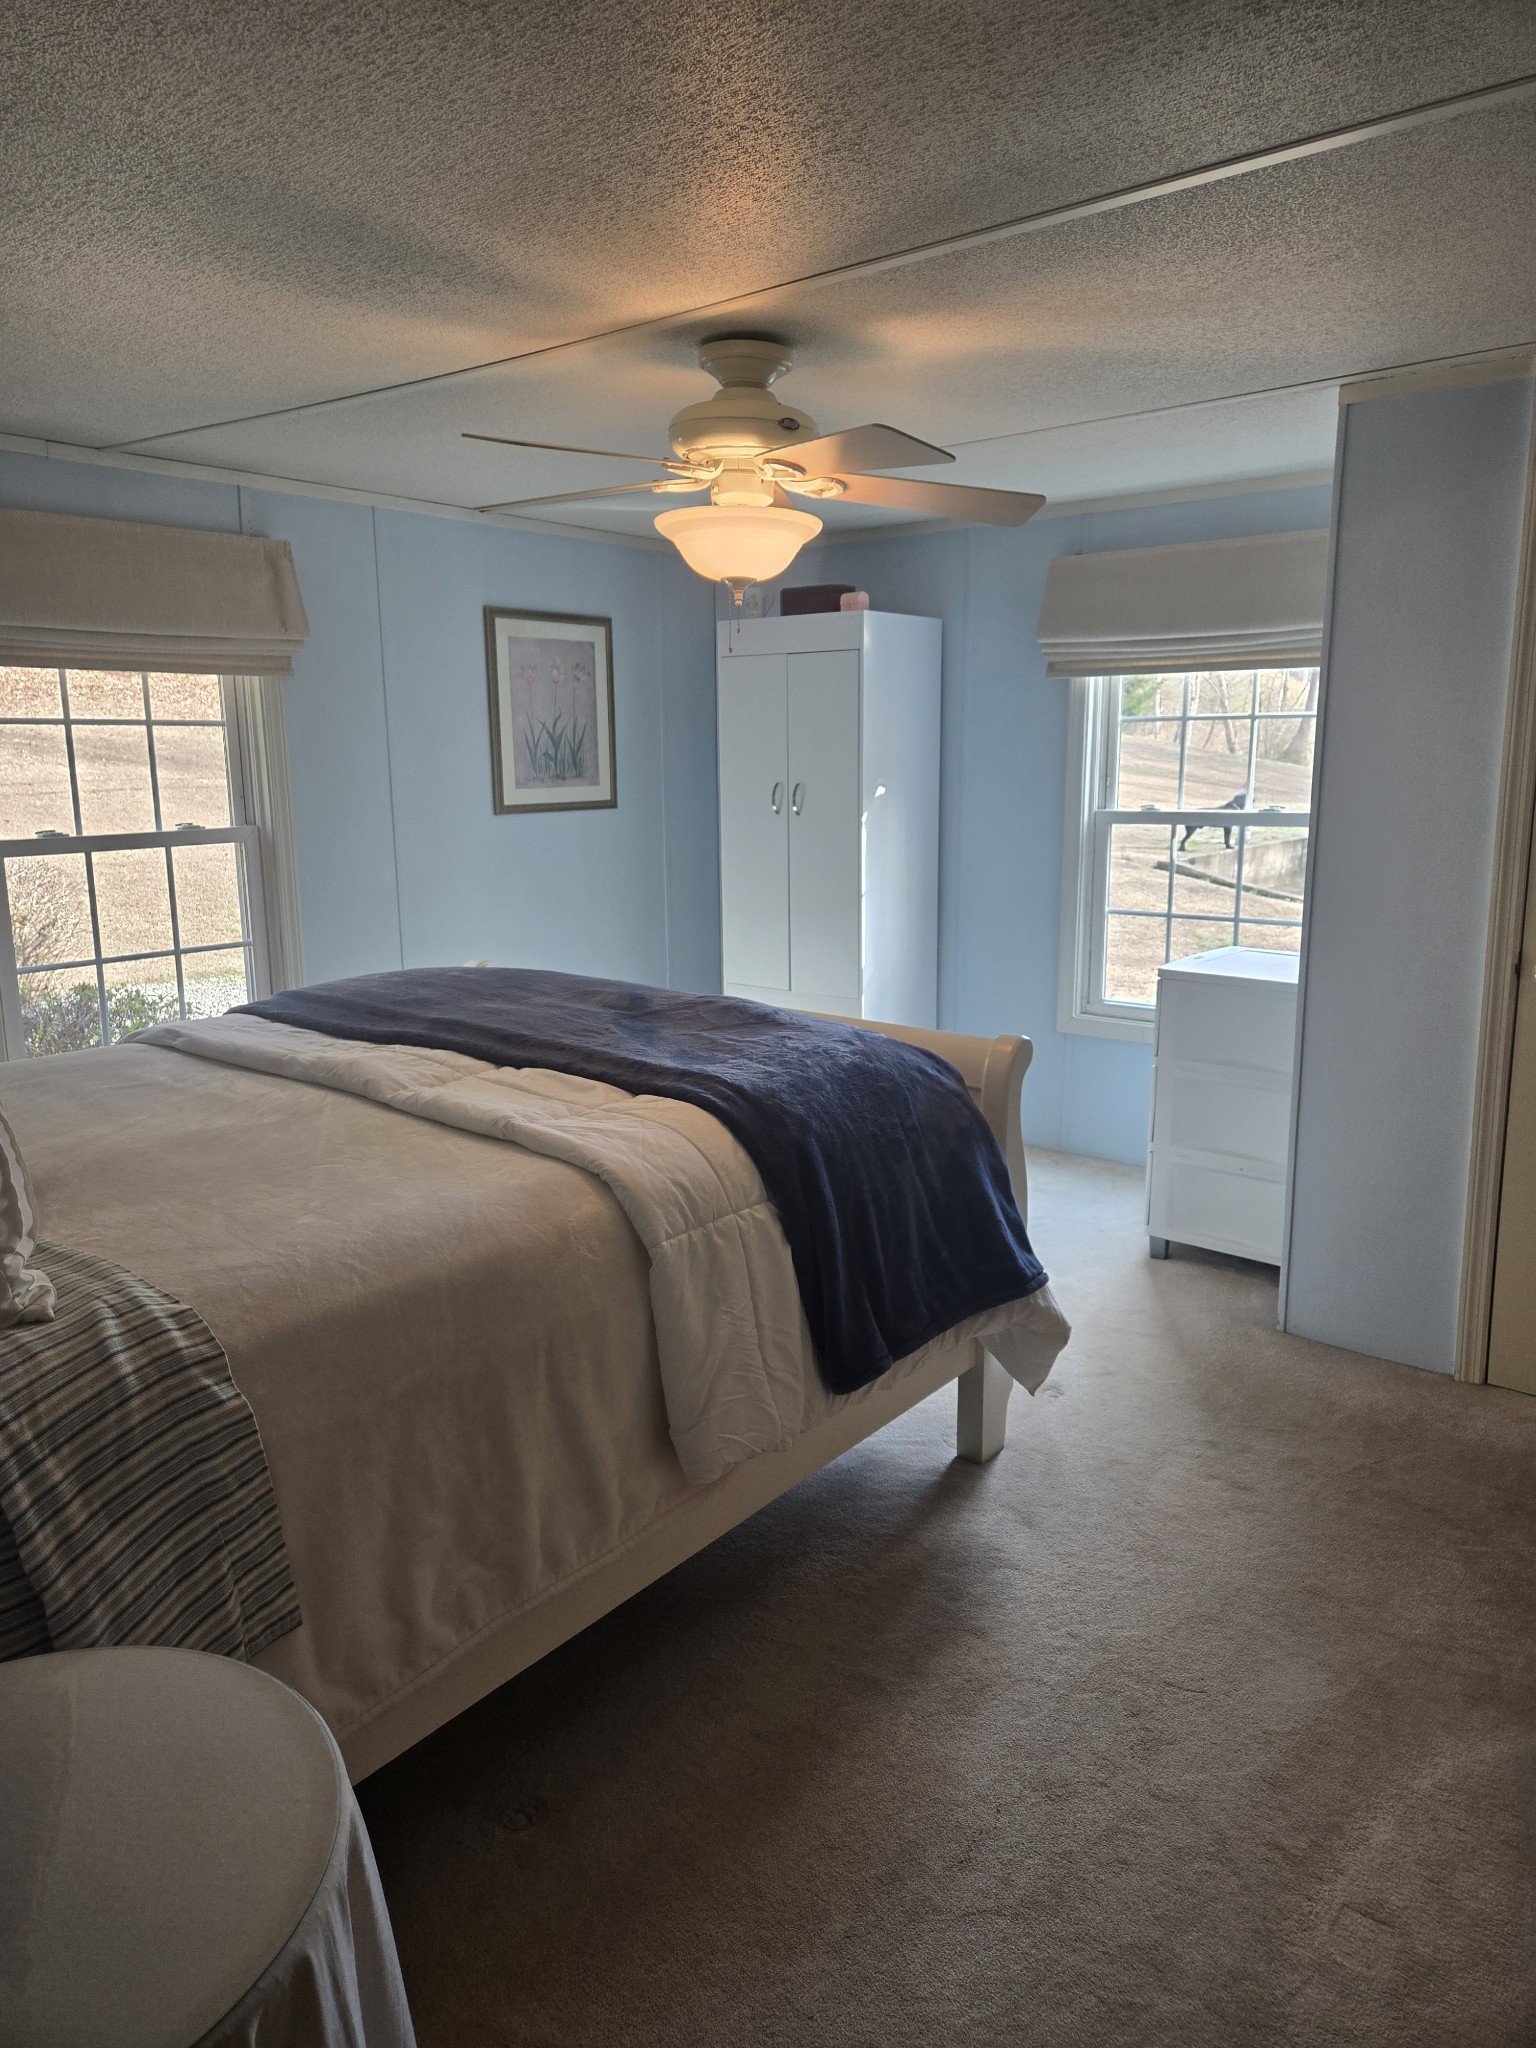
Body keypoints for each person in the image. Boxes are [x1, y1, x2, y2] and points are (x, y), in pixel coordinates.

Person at [1180, 790, 1247, 851]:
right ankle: (1182, 843)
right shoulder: (1231, 810)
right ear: (1241, 801)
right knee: (1228, 828)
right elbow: (1228, 828)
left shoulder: (1232, 808)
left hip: (1198, 815)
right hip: (1198, 816)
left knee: (1189, 832)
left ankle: (1182, 844)